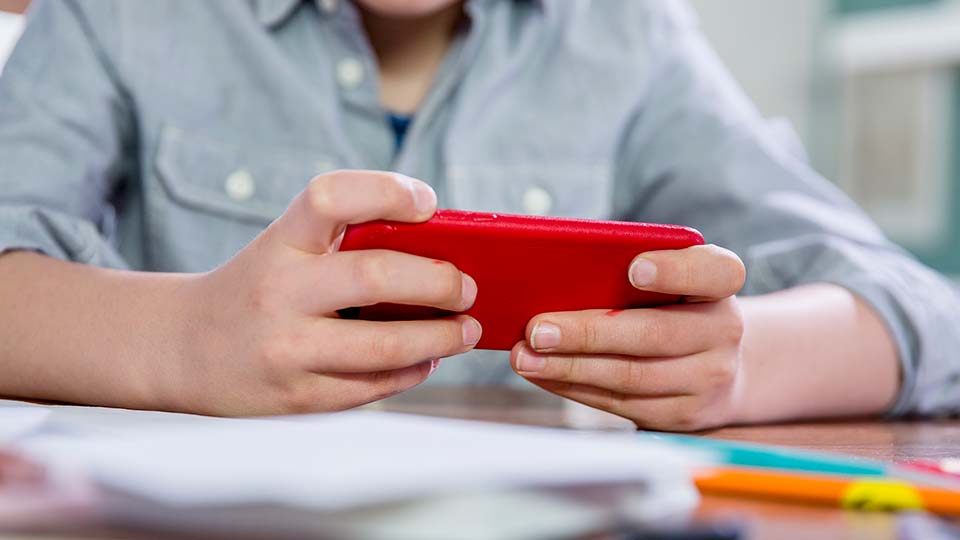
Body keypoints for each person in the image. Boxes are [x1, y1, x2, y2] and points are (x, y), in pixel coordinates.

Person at [0, 0, 957, 431]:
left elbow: (925, 311)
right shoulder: (120, 13)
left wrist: (740, 365)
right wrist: (185, 339)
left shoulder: (626, 33)